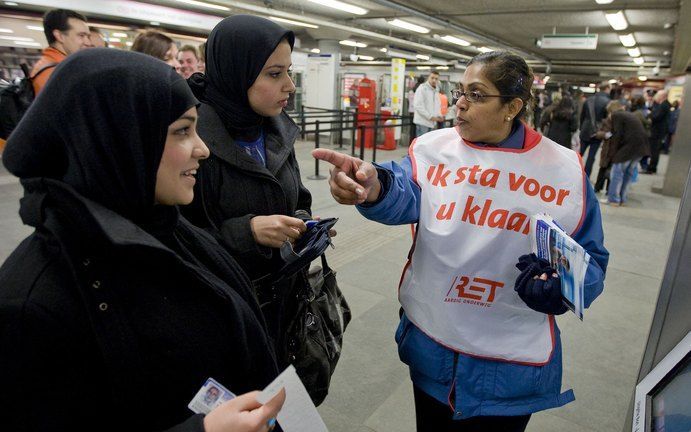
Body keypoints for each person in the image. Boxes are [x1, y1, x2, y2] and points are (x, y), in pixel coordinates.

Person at [313, 51, 608, 431]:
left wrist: (562, 287)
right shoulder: (434, 149)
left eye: (477, 94)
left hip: (509, 367)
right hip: (434, 348)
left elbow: (592, 262)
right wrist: (374, 187)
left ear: (512, 107)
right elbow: (404, 191)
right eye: (459, 92)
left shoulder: (564, 171)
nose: (461, 104)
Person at [0, 49, 284, 432]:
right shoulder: (31, 303)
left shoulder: (164, 227)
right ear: (119, 140)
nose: (203, 149)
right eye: (182, 131)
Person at [182, 16, 312, 370]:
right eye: (274, 74)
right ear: (236, 72)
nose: (290, 86)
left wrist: (304, 225)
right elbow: (173, 239)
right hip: (222, 313)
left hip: (281, 306)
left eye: (288, 71)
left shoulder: (276, 130)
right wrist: (248, 232)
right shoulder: (190, 139)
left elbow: (297, 197)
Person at [31, 8, 92, 95]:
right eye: (81, 36)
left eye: (88, 37)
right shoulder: (58, 73)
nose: (88, 43)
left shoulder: (51, 66)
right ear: (59, 36)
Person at [601, 101, 650, 206]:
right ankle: (622, 199)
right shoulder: (629, 115)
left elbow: (617, 135)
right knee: (628, 174)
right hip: (640, 148)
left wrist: (613, 155)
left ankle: (613, 199)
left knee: (617, 173)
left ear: (611, 111)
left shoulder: (617, 115)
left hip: (628, 149)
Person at [579, 83, 611, 179]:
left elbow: (582, 116)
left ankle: (574, 173)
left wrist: (582, 127)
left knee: (579, 154)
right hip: (598, 132)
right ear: (607, 89)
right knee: (591, 157)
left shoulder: (589, 99)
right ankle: (586, 177)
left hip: (585, 129)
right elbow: (607, 120)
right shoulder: (608, 102)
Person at [646, 90, 671, 174]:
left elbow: (656, 117)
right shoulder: (664, 104)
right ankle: (651, 167)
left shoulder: (664, 105)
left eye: (658, 95)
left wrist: (650, 115)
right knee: (654, 150)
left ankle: (652, 168)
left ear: (663, 96)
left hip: (657, 131)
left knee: (654, 150)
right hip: (659, 131)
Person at [413, 71, 443, 137]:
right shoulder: (422, 88)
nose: (434, 80)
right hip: (422, 122)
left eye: (436, 79)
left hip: (432, 123)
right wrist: (430, 117)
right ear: (428, 78)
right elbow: (418, 106)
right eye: (432, 78)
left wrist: (439, 115)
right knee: (422, 145)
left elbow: (437, 104)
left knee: (429, 145)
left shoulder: (436, 90)